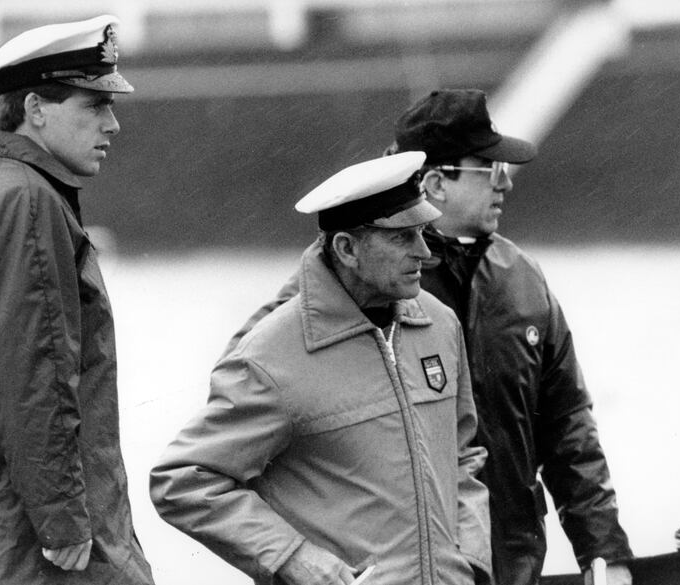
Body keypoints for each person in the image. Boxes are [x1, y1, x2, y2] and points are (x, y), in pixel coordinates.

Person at [150, 151, 492, 585]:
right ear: (347, 249)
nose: (424, 253)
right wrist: (294, 558)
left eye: (423, 233)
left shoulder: (440, 324)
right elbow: (184, 480)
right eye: (403, 238)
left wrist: (472, 560)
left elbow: (462, 455)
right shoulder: (270, 354)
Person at [391, 89, 633, 585]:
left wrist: (603, 553)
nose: (506, 184)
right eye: (490, 169)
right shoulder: (370, 280)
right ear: (436, 182)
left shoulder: (524, 278)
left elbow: (568, 428)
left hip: (512, 565)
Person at [0, 15, 154, 584]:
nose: (113, 124)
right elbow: (33, 377)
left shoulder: (4, 192)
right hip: (41, 548)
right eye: (94, 106)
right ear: (36, 110)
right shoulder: (25, 203)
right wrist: (64, 523)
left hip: (6, 530)